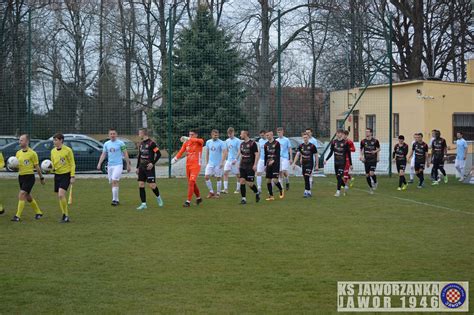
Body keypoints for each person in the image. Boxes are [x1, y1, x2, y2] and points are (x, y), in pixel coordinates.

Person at [10, 134, 45, 222]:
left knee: (21, 194)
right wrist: (14, 167)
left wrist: (41, 178)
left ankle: (17, 216)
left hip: (29, 177)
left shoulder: (33, 153)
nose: (19, 142)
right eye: (19, 140)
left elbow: (37, 167)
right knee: (28, 196)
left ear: (27, 141)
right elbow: (17, 166)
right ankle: (38, 212)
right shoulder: (18, 153)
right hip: (21, 177)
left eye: (21, 140)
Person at [97, 128, 131, 206]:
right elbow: (103, 154)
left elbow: (125, 153)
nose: (112, 135)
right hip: (110, 166)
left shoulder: (121, 143)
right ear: (109, 135)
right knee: (113, 182)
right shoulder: (106, 144)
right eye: (111, 134)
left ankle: (114, 200)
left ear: (116, 134)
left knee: (114, 180)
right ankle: (117, 199)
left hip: (118, 165)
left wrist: (128, 165)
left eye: (114, 134)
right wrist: (99, 163)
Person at [172, 129, 204, 207]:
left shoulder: (199, 141)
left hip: (196, 165)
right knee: (192, 182)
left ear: (196, 135)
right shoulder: (187, 143)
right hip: (188, 165)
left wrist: (188, 138)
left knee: (191, 181)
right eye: (189, 134)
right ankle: (199, 198)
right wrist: (175, 158)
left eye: (192, 134)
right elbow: (181, 151)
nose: (190, 136)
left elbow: (199, 141)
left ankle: (188, 201)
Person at [135, 128, 163, 210]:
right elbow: (139, 156)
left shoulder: (152, 143)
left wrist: (152, 163)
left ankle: (158, 197)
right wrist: (137, 167)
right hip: (141, 167)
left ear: (144, 133)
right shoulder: (141, 144)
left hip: (149, 168)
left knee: (152, 185)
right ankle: (143, 204)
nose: (138, 134)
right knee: (141, 184)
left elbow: (159, 154)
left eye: (140, 133)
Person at [50, 133, 75, 223]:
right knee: (60, 196)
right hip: (57, 175)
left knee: (61, 194)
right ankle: (64, 214)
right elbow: (53, 164)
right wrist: (50, 169)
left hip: (66, 175)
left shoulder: (68, 150)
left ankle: (66, 215)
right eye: (54, 140)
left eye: (56, 140)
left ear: (61, 140)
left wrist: (72, 176)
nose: (54, 142)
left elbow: (72, 163)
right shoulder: (52, 151)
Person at [324, 129, 352, 197]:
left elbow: (349, 154)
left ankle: (338, 192)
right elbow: (331, 152)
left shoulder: (345, 143)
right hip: (336, 162)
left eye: (339, 133)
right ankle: (345, 186)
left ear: (342, 134)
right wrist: (326, 159)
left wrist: (350, 164)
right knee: (338, 177)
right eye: (337, 133)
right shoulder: (334, 142)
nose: (337, 134)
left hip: (342, 163)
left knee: (339, 176)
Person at [292, 132, 318, 197]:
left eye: (306, 137)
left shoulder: (312, 146)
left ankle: (307, 191)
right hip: (304, 163)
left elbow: (316, 155)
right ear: (302, 138)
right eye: (304, 137)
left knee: (307, 176)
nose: (305, 139)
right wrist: (294, 163)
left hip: (310, 163)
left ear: (308, 138)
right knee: (305, 178)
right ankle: (307, 191)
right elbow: (297, 154)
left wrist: (317, 165)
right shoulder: (301, 146)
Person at [238, 130, 260, 204]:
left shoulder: (253, 143)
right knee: (242, 181)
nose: (240, 135)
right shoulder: (241, 144)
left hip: (250, 166)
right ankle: (243, 199)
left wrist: (255, 164)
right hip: (243, 165)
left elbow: (257, 154)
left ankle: (257, 192)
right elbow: (242, 155)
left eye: (241, 134)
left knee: (250, 183)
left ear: (245, 134)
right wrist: (239, 164)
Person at [204, 129, 226, 198]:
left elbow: (224, 152)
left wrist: (222, 162)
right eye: (214, 135)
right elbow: (207, 152)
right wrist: (207, 162)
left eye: (217, 135)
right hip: (210, 163)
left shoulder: (221, 143)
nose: (215, 136)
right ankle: (211, 192)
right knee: (206, 177)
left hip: (218, 164)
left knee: (218, 178)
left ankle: (218, 193)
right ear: (211, 135)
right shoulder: (208, 142)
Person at [264, 131, 284, 200]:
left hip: (275, 164)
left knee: (275, 180)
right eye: (266, 135)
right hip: (268, 164)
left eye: (268, 135)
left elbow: (278, 154)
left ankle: (281, 189)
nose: (267, 136)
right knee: (268, 180)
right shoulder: (266, 144)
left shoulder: (276, 143)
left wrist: (273, 160)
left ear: (272, 135)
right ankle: (271, 196)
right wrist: (265, 165)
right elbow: (266, 155)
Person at [360, 128, 380, 194]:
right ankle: (371, 188)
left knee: (371, 173)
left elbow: (378, 149)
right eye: (366, 132)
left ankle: (375, 182)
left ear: (371, 133)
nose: (366, 133)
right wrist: (361, 156)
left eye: (368, 132)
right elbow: (362, 149)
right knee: (367, 175)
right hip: (366, 160)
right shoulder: (363, 141)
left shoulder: (375, 141)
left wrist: (377, 155)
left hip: (373, 159)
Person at [222, 127, 241, 194]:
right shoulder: (227, 141)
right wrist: (225, 159)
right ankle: (225, 189)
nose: (230, 135)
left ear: (233, 133)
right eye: (229, 134)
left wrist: (236, 159)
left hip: (236, 161)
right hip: (229, 160)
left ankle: (238, 189)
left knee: (238, 175)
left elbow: (239, 150)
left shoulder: (238, 140)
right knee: (225, 173)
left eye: (231, 133)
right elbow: (226, 150)